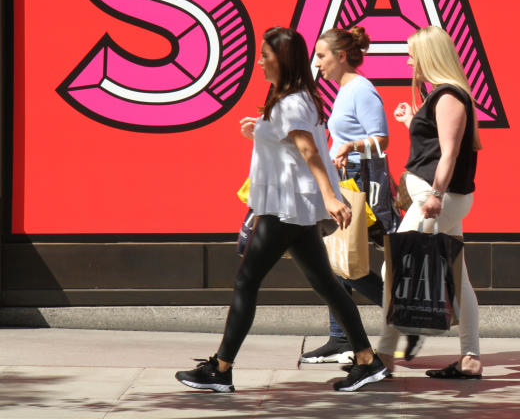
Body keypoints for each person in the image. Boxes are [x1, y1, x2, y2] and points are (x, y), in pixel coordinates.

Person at [175, 27, 387, 393]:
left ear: (282, 59)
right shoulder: (293, 97)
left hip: (286, 208)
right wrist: (259, 130)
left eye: (265, 56)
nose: (258, 62)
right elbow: (291, 146)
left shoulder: (291, 101)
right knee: (325, 284)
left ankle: (221, 369)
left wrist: (331, 198)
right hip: (295, 208)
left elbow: (309, 152)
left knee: (246, 281)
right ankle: (368, 361)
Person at [300, 26, 423, 365]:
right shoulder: (345, 90)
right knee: (338, 260)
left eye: (322, 56)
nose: (318, 63)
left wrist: (351, 146)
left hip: (359, 184)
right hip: (345, 180)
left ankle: (399, 318)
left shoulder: (361, 90)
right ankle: (344, 336)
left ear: (341, 56)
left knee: (343, 263)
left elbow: (381, 140)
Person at [376, 25, 483, 379]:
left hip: (439, 198)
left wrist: (435, 195)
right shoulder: (443, 95)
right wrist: (413, 122)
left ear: (428, 56)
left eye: (412, 54)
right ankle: (469, 358)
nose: (408, 62)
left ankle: (384, 356)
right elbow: (436, 146)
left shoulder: (449, 96)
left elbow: (450, 154)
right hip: (442, 198)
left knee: (395, 267)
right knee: (460, 278)